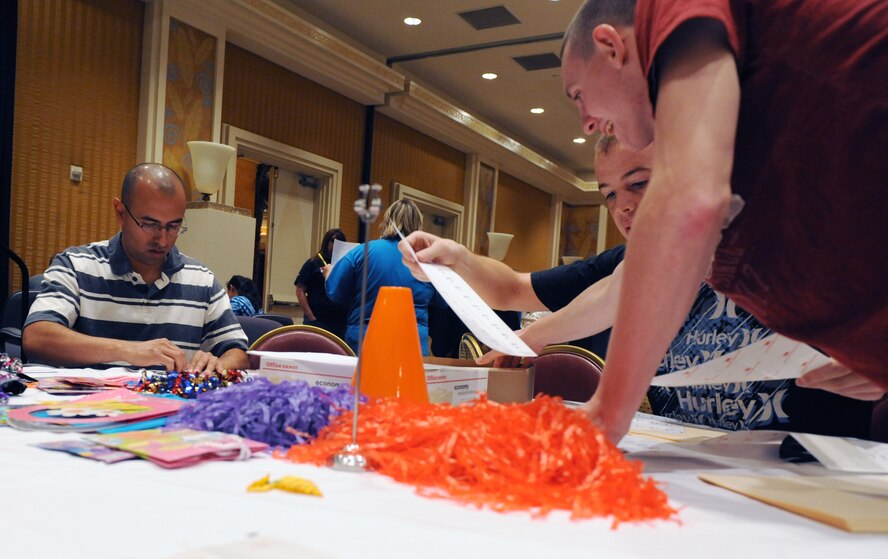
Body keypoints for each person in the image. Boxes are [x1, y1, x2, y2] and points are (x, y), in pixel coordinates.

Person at [551, 0, 888, 440]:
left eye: (578, 95)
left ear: (610, 46)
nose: (587, 124)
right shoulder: (762, 122)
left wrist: (607, 411)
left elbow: (689, 203)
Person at [402, 137, 871, 437]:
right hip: (687, 471)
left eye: (639, 184)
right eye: (609, 194)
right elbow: (512, 290)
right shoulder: (624, 263)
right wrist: (459, 260)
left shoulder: (798, 242)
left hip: (803, 474)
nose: (622, 207)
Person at [23, 163, 249, 373]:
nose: (162, 240)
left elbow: (239, 354)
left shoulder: (202, 280)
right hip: (93, 402)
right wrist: (127, 350)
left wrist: (217, 365)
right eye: (149, 224)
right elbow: (37, 337)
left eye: (173, 226)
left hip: (171, 403)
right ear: (120, 213)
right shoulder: (76, 265)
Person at [326, 199, 435, 355]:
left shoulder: (363, 251)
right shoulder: (427, 260)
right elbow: (441, 302)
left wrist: (329, 273)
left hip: (366, 339)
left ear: (387, 220)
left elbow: (335, 292)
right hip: (412, 341)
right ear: (418, 225)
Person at [294, 228, 347, 339]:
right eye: (333, 241)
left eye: (340, 242)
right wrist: (311, 317)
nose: (336, 245)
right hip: (317, 320)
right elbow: (300, 290)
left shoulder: (345, 265)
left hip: (339, 322)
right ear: (326, 242)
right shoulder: (313, 263)